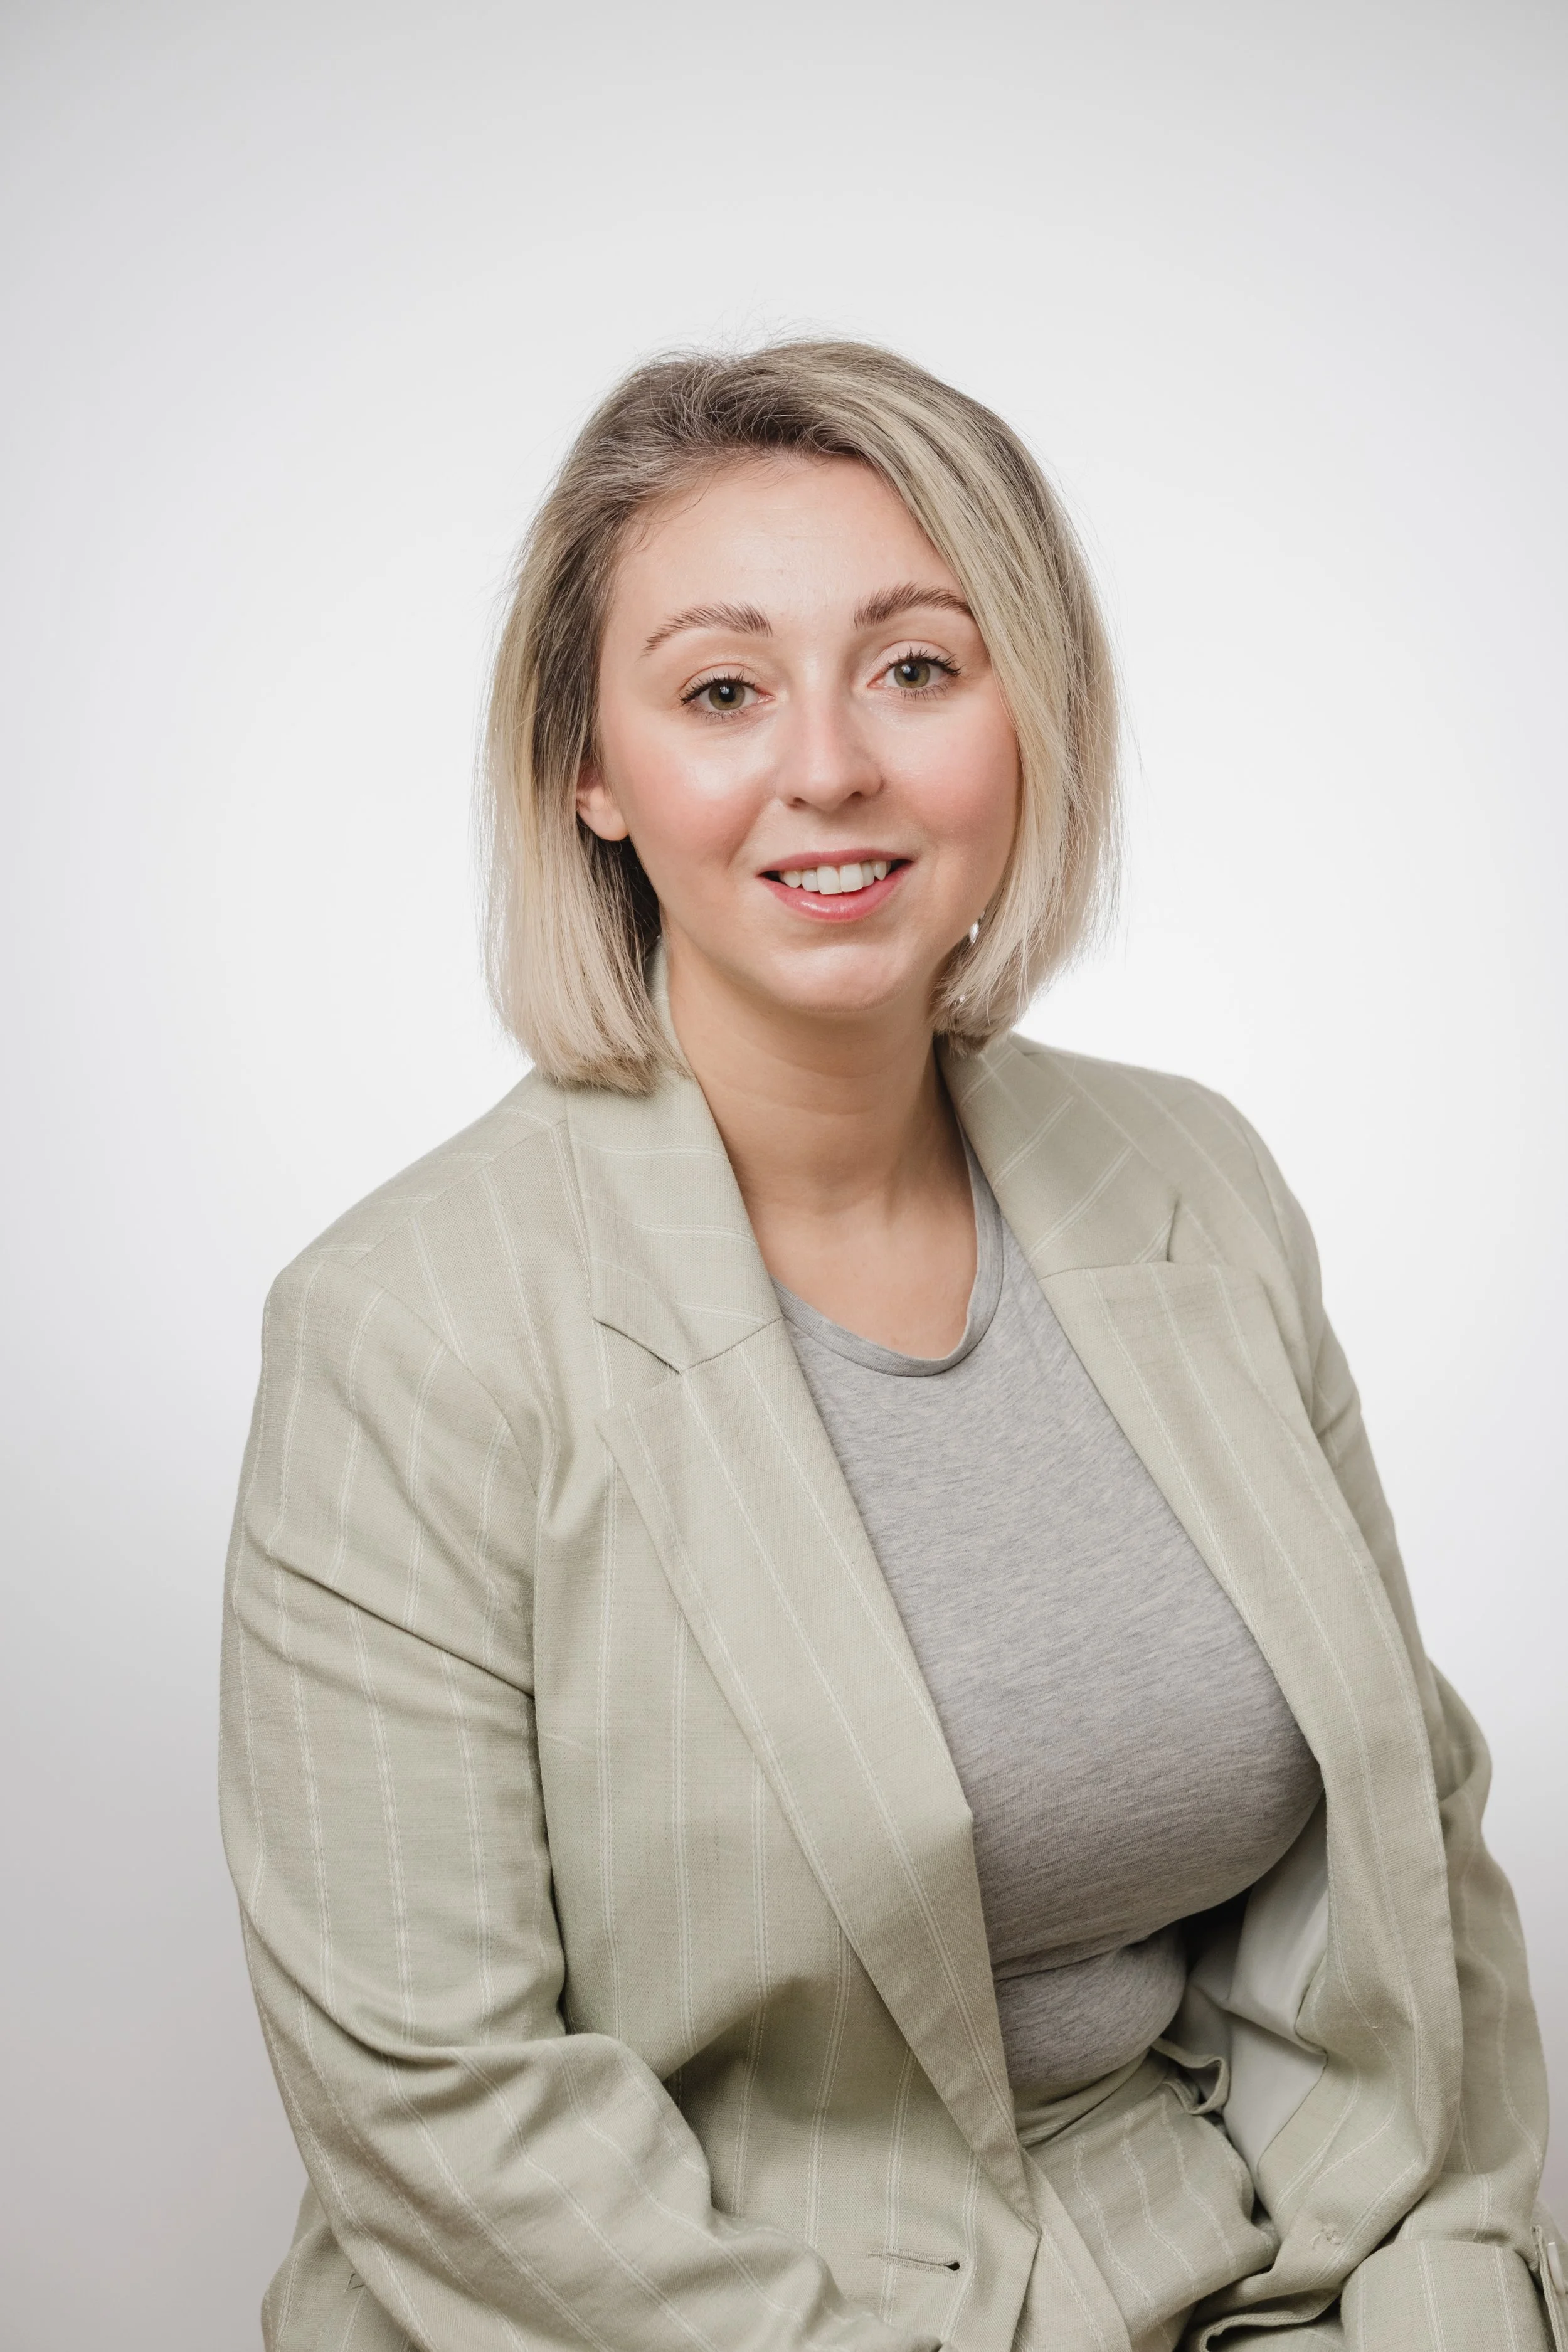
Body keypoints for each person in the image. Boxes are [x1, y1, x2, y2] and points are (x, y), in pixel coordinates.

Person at [220, 342, 1563, 2352]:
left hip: (1216, 2272)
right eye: (721, 687)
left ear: (1030, 712)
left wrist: (1449, 2295)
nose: (829, 763)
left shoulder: (1193, 1182)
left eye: (917, 667)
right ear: (589, 768)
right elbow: (440, 2104)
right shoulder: (406, 1329)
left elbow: (1394, 1855)